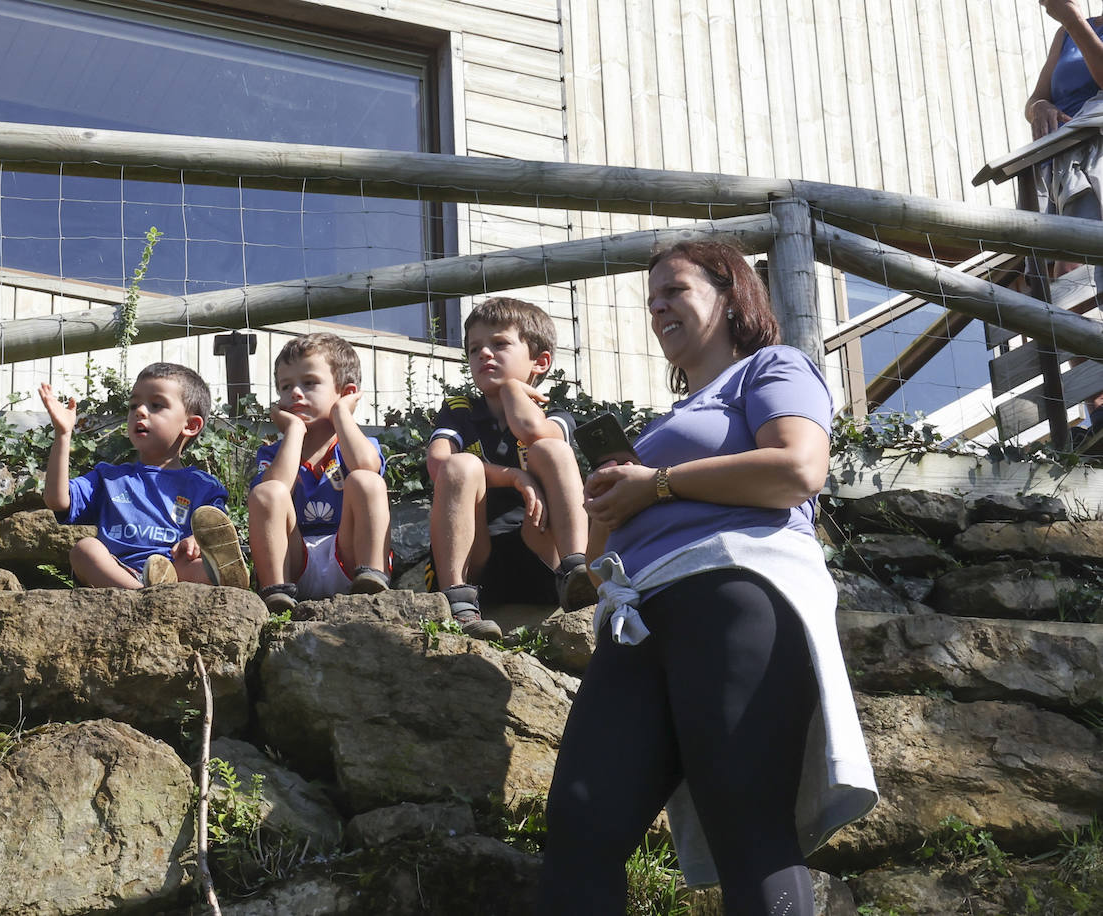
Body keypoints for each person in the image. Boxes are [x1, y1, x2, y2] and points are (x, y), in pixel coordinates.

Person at [537, 242, 877, 915]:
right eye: (651, 298)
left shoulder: (772, 369)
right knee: (579, 829)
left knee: (746, 827)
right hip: (636, 619)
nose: (658, 305)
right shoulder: (659, 426)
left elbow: (797, 469)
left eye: (675, 290)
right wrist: (607, 496)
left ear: (730, 297)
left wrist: (656, 484)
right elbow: (603, 546)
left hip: (733, 591)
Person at [425, 297, 594, 641]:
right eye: (474, 349)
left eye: (499, 344)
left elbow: (532, 431)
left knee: (550, 449)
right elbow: (438, 464)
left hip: (542, 552)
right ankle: (457, 598)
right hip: (479, 558)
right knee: (459, 465)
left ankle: (577, 572)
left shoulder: (557, 416)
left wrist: (514, 390)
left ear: (540, 362)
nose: (484, 354)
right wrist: (514, 476)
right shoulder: (460, 411)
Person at [40, 361, 248, 590]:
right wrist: (63, 434)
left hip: (176, 569)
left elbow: (214, 528)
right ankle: (142, 594)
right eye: (133, 405)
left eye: (156, 405)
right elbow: (57, 500)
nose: (139, 411)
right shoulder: (108, 477)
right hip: (119, 570)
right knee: (84, 550)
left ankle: (204, 578)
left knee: (207, 565)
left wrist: (196, 540)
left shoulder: (204, 486)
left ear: (190, 425)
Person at [248, 333, 391, 613]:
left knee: (366, 480)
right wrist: (294, 431)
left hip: (349, 556)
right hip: (295, 558)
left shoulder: (357, 445)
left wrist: (342, 415)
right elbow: (274, 489)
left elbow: (366, 467)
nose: (295, 393)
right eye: (285, 386)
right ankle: (275, 591)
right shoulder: (272, 454)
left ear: (346, 393)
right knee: (268, 491)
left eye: (310, 383)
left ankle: (373, 580)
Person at [1027, 0, 1103, 432]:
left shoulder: (1074, 25)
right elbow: (1037, 97)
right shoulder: (1069, 33)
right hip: (1067, 167)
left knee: (1087, 278)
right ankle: (1096, 401)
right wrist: (1039, 107)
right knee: (1071, 284)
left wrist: (1072, 19)